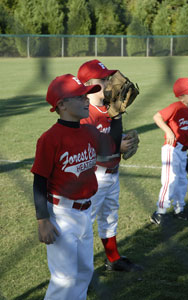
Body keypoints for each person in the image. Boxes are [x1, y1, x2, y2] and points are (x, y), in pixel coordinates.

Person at [31, 74, 118, 300]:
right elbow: (39, 180)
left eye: (86, 95)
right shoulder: (50, 138)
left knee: (84, 272)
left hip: (85, 211)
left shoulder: (89, 131)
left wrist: (117, 118)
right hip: (61, 213)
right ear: (61, 105)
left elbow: (112, 148)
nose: (87, 100)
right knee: (65, 278)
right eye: (79, 97)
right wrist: (43, 221)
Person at [78, 59, 143, 272]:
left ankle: (113, 258)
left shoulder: (110, 108)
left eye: (108, 78)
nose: (108, 83)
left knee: (110, 215)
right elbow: (84, 149)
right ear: (88, 84)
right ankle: (80, 268)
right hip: (93, 176)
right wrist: (117, 148)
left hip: (113, 173)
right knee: (85, 224)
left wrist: (122, 136)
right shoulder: (83, 115)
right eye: (103, 79)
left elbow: (108, 136)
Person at [150, 77, 188, 225]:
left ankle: (180, 209)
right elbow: (157, 116)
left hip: (183, 151)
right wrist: (168, 131)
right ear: (181, 96)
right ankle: (159, 213)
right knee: (170, 180)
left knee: (182, 181)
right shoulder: (176, 107)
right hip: (171, 150)